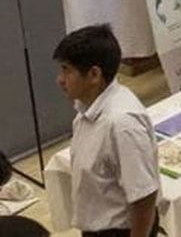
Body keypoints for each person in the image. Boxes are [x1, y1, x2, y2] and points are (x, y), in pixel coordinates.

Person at [54, 24, 159, 237]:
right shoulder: (86, 108)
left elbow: (144, 196)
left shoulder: (122, 124)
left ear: (94, 74)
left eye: (67, 70)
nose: (60, 80)